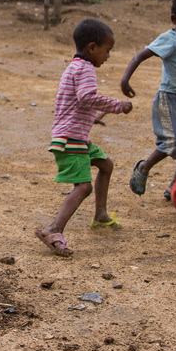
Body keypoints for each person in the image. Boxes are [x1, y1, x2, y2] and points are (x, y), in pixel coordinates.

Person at [37, 18, 135, 257]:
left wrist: (90, 118)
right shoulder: (87, 68)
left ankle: (100, 214)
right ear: (92, 48)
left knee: (106, 165)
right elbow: (86, 97)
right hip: (72, 139)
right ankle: (53, 228)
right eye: (107, 51)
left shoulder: (73, 67)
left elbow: (72, 103)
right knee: (83, 187)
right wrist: (117, 105)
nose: (108, 56)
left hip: (71, 134)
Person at [120, 0, 176, 201]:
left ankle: (174, 186)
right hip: (170, 98)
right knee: (172, 141)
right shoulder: (170, 39)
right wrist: (125, 79)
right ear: (175, 20)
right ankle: (143, 168)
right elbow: (141, 55)